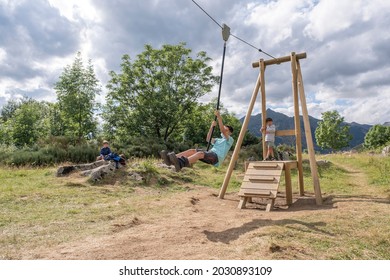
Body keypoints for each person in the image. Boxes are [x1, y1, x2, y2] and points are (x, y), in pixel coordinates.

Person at [160, 110, 234, 172]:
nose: (223, 131)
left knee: (200, 154)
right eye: (224, 129)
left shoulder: (229, 140)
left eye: (226, 130)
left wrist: (219, 117)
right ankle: (171, 159)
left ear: (230, 133)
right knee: (192, 151)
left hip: (216, 158)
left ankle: (180, 163)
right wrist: (211, 127)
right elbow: (208, 139)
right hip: (211, 154)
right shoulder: (218, 140)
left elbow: (222, 130)